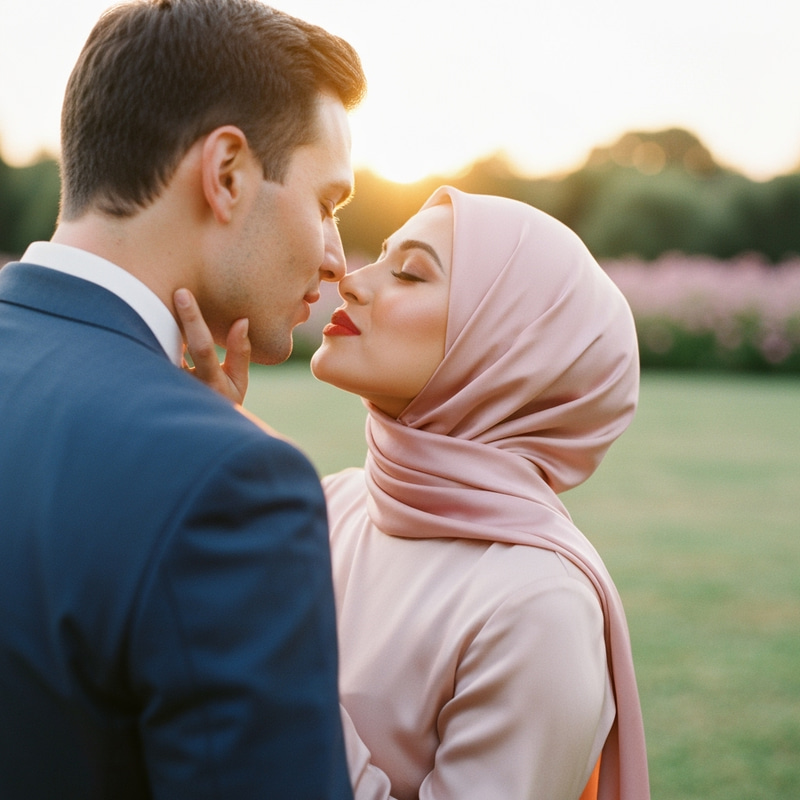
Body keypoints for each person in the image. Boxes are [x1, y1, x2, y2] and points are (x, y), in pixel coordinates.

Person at [0, 1, 366, 798]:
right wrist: (206, 444)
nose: (338, 259)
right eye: (327, 203)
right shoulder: (228, 486)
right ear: (227, 173)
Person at [180, 186, 651, 799]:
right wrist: (205, 454)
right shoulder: (328, 505)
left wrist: (265, 619)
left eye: (408, 273)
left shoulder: (540, 607)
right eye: (381, 256)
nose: (350, 280)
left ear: (505, 349)